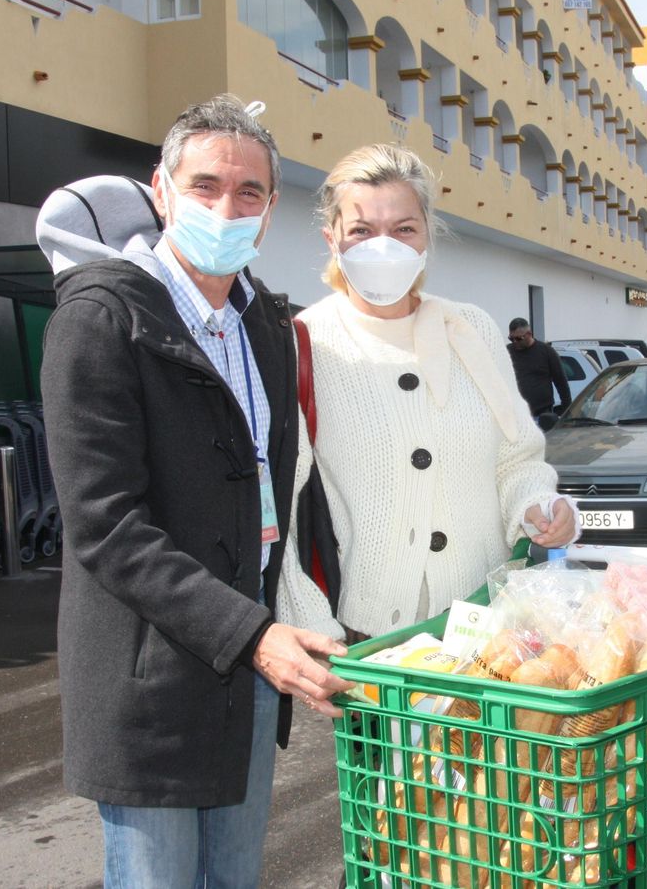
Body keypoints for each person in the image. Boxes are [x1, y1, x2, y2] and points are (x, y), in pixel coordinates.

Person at [37, 95, 352, 889]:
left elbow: (283, 490)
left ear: (272, 207)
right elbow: (105, 527)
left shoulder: (267, 327)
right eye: (205, 185)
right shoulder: (103, 318)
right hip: (152, 675)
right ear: (161, 192)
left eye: (250, 193)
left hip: (246, 659)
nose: (226, 206)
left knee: (232, 877)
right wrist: (254, 635)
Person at [282, 144, 578, 644]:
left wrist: (539, 507)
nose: (385, 245)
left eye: (403, 228)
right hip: (370, 637)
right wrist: (313, 627)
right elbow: (281, 506)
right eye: (361, 230)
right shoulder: (303, 343)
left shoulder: (472, 331)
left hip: (488, 625)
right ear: (331, 240)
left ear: (426, 238)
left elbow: (516, 460)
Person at [505, 318, 573, 419]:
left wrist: (567, 411)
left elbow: (561, 382)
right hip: (515, 414)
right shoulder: (506, 352)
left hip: (541, 414)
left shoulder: (546, 352)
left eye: (519, 338)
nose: (515, 342)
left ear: (529, 334)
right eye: (511, 339)